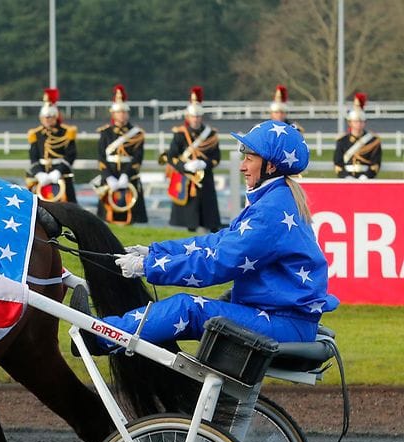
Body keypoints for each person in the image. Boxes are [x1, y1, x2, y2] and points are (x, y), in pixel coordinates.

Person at [73, 120, 339, 355]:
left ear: (270, 165)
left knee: (187, 308)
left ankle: (100, 337)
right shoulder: (274, 198)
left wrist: (149, 267)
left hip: (284, 323)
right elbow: (218, 241)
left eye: (250, 158)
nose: (243, 166)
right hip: (281, 317)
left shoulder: (272, 209)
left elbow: (218, 263)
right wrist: (156, 252)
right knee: (190, 308)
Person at [166, 86, 222, 232]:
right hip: (186, 179)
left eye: (198, 116)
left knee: (209, 220)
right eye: (193, 116)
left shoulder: (210, 134)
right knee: (187, 221)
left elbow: (216, 158)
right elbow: (171, 157)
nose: (196, 119)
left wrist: (205, 163)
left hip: (205, 180)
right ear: (188, 117)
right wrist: (184, 166)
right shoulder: (179, 134)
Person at [96, 84, 147, 224]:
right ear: (113, 114)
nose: (122, 115)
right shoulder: (105, 133)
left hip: (129, 175)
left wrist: (126, 175)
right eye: (119, 112)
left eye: (124, 112)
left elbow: (137, 157)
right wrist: (108, 177)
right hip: (110, 174)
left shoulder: (136, 134)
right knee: (106, 217)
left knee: (131, 216)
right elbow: (101, 158)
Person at [26, 88, 77, 202]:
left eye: (50, 116)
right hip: (41, 175)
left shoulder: (66, 132)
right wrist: (39, 173)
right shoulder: (35, 134)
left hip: (61, 174)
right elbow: (33, 157)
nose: (47, 119)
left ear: (56, 117)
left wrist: (58, 171)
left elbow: (71, 155)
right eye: (45, 117)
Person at [334, 92, 381, 179]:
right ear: (350, 123)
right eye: (355, 121)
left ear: (364, 123)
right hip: (347, 178)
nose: (358, 124)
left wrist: (366, 177)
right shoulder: (342, 140)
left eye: (361, 121)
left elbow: (375, 164)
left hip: (365, 178)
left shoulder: (373, 141)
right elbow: (338, 164)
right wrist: (346, 177)